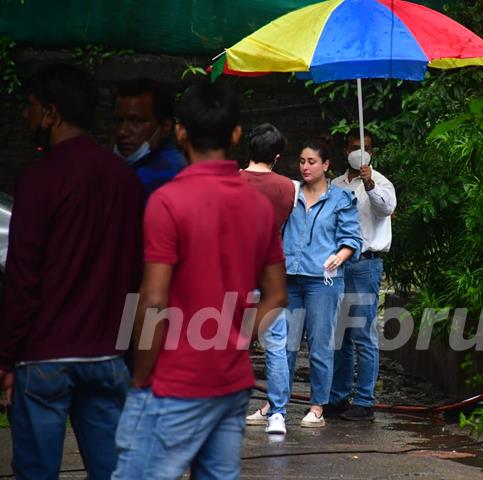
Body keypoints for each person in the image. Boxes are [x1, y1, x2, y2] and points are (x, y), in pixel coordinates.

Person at [112, 82, 288, 480]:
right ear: (237, 134)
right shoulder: (258, 208)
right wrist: (234, 339)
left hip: (174, 381)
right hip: (231, 381)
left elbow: (153, 301)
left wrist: (140, 377)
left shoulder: (168, 202)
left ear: (180, 132)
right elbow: (276, 295)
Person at [0, 63, 143, 479]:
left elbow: (22, 278)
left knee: (36, 472)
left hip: (44, 359)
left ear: (51, 113)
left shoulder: (38, 179)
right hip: (106, 356)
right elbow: (135, 270)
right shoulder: (124, 179)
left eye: (30, 107)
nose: (26, 117)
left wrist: (5, 358)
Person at [283, 137, 362, 428]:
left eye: (312, 161)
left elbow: (352, 239)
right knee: (284, 345)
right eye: (302, 161)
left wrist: (339, 257)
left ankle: (317, 406)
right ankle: (276, 404)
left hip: (323, 282)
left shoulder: (341, 198)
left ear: (326, 165)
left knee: (320, 346)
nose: (305, 167)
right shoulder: (290, 194)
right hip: (290, 277)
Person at [327, 131, 396, 421]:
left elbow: (386, 208)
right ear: (346, 150)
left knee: (363, 332)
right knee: (340, 334)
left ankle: (365, 399)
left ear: (373, 152)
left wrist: (368, 183)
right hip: (339, 263)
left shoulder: (381, 183)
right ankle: (339, 396)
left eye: (366, 148)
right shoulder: (335, 184)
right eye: (356, 148)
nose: (360, 152)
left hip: (366, 264)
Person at [239, 123, 295, 435]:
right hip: (272, 273)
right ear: (276, 156)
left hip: (235, 273)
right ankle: (277, 414)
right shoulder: (287, 187)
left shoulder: (231, 181)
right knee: (276, 347)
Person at [113, 77, 186, 200]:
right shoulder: (130, 168)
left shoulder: (165, 175)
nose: (122, 131)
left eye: (136, 121)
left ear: (165, 127)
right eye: (118, 121)